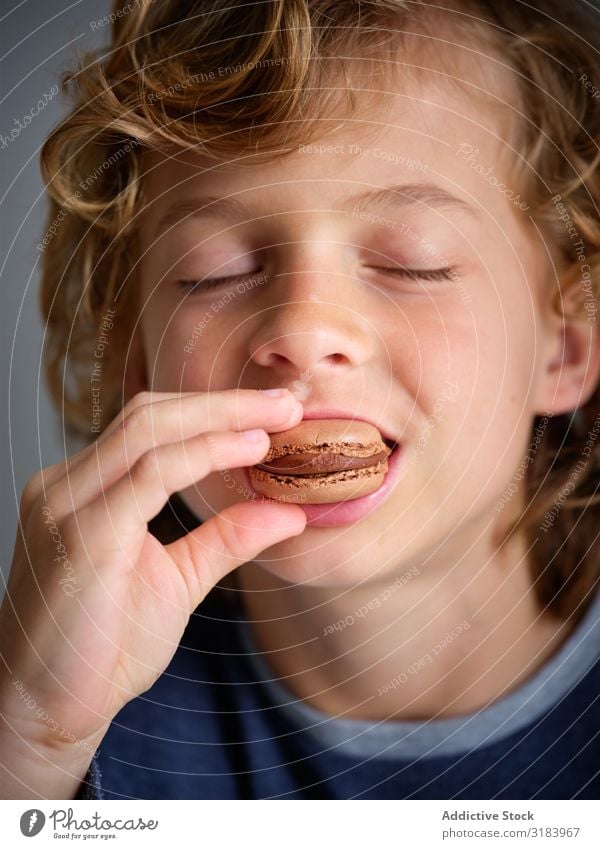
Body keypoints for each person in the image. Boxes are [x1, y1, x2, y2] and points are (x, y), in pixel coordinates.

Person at [1, 0, 600, 800]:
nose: (303, 327)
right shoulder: (72, 716)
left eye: (412, 262)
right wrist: (31, 737)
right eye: (213, 270)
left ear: (563, 348)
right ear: (135, 364)